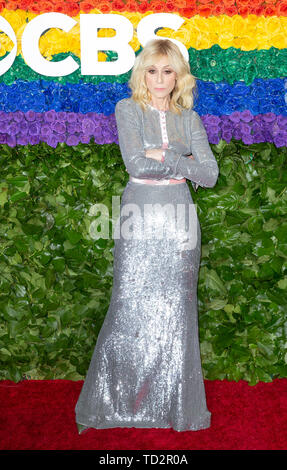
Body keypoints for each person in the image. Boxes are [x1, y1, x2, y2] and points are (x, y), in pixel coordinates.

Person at [75, 38, 219, 433]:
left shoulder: (190, 118)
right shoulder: (128, 109)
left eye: (168, 71)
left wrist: (164, 156)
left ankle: (174, 406)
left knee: (177, 309)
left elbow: (209, 176)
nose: (160, 79)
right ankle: (113, 403)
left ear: (178, 76)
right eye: (152, 70)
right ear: (142, 73)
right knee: (128, 303)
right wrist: (181, 160)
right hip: (139, 216)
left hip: (180, 222)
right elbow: (134, 162)